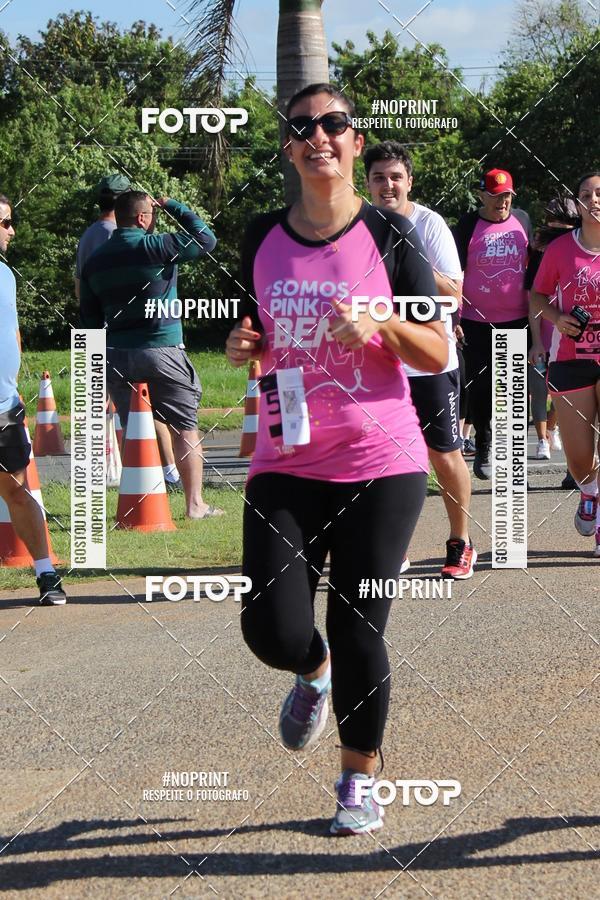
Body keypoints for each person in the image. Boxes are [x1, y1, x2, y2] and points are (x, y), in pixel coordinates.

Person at [226, 83, 448, 835]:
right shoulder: (260, 236)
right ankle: (309, 674)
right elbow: (259, 331)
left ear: (354, 141)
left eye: (334, 124)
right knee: (271, 630)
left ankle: (359, 781)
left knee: (359, 623)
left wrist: (381, 321)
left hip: (381, 460)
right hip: (287, 457)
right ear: (289, 148)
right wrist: (244, 346)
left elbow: (440, 346)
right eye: (303, 128)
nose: (319, 136)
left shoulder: (390, 236)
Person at [364, 141, 476, 578]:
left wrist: (407, 258)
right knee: (381, 457)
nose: (387, 185)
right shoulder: (356, 226)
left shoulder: (429, 225)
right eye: (378, 177)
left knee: (443, 454)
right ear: (367, 182)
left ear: (409, 181)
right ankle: (393, 547)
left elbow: (453, 292)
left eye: (395, 177)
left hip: (429, 360)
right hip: (377, 361)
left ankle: (460, 541)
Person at [80, 191, 222, 519]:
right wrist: (173, 205)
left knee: (136, 432)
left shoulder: (95, 261)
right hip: (162, 350)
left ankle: (140, 506)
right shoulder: (156, 245)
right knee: (185, 426)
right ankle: (194, 505)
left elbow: (88, 321)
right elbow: (206, 238)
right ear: (144, 218)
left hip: (116, 355)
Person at [76, 174, 183, 492]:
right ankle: (168, 473)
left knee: (117, 408)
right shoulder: (120, 235)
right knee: (153, 408)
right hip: (140, 334)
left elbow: (81, 286)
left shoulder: (88, 236)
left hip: (100, 329)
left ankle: (128, 476)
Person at [0, 194, 66, 604]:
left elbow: (13, 331)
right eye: (4, 222)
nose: (12, 230)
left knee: (17, 489)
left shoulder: (6, 275)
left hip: (4, 407)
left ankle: (46, 574)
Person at [530, 172, 600, 557]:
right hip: (571, 359)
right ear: (579, 203)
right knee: (578, 457)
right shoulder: (560, 250)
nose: (594, 199)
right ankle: (589, 492)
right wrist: (555, 319)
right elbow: (537, 294)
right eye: (586, 194)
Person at [453, 169, 533, 479]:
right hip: (475, 322)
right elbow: (454, 272)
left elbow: (534, 264)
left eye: (507, 196)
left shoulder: (523, 220)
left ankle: (515, 458)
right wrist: (454, 317)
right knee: (482, 389)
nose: (502, 202)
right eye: (496, 196)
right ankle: (484, 446)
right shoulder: (468, 225)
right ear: (482, 195)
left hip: (516, 319)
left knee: (514, 390)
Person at [526, 197, 578, 463]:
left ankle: (554, 426)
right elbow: (534, 300)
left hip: (572, 333)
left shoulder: (582, 249)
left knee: (565, 393)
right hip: (545, 329)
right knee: (539, 386)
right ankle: (542, 440)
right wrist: (536, 341)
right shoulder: (539, 254)